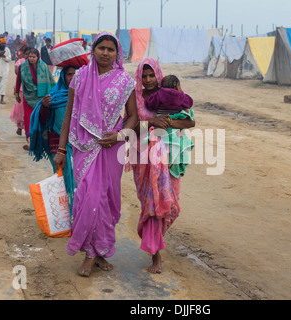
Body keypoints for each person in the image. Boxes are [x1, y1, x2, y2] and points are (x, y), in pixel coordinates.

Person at [53, 32, 138, 277]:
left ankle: (100, 249)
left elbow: (132, 116)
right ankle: (90, 254)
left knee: (105, 200)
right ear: (93, 49)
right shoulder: (79, 77)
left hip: (112, 148)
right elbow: (69, 115)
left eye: (110, 49)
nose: (105, 53)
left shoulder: (124, 80)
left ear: (117, 53)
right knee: (86, 199)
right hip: (83, 147)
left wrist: (120, 135)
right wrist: (61, 149)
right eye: (101, 47)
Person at [126, 57, 195, 274]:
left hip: (169, 158)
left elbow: (189, 121)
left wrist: (167, 122)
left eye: (151, 75)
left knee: (170, 205)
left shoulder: (168, 96)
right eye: (144, 76)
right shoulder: (134, 97)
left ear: (158, 74)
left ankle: (153, 239)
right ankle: (155, 255)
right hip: (143, 159)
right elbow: (128, 127)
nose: (148, 80)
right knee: (152, 207)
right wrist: (151, 123)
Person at [29, 66, 79, 218]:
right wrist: (44, 106)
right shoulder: (54, 96)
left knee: (77, 181)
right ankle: (64, 216)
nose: (73, 77)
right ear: (63, 77)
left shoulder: (83, 95)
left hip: (77, 146)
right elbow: (43, 120)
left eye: (76, 74)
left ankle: (73, 214)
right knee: (62, 180)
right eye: (69, 74)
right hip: (56, 145)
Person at [144, 74, 195, 179]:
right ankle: (175, 166)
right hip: (175, 127)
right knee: (176, 147)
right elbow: (189, 103)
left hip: (161, 126)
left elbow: (149, 103)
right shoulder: (181, 96)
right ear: (176, 85)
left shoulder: (158, 95)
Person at [15, 48, 55, 151]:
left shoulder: (44, 67)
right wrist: (16, 94)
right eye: (30, 57)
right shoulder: (22, 67)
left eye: (34, 57)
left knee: (41, 117)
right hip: (28, 96)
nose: (32, 59)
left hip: (42, 97)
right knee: (28, 117)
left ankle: (42, 140)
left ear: (38, 57)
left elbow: (50, 80)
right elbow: (18, 80)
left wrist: (54, 92)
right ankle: (30, 140)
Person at [10, 46, 29, 136]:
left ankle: (26, 129)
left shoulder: (35, 64)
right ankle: (19, 127)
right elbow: (16, 72)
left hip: (30, 90)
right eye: (26, 54)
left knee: (27, 110)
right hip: (21, 89)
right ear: (24, 54)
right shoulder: (20, 62)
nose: (28, 56)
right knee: (19, 109)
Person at [0, 38, 11, 105]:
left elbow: (9, 59)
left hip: (5, 70)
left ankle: (2, 99)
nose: (3, 45)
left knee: (3, 84)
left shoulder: (7, 50)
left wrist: (4, 56)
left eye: (4, 43)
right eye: (2, 44)